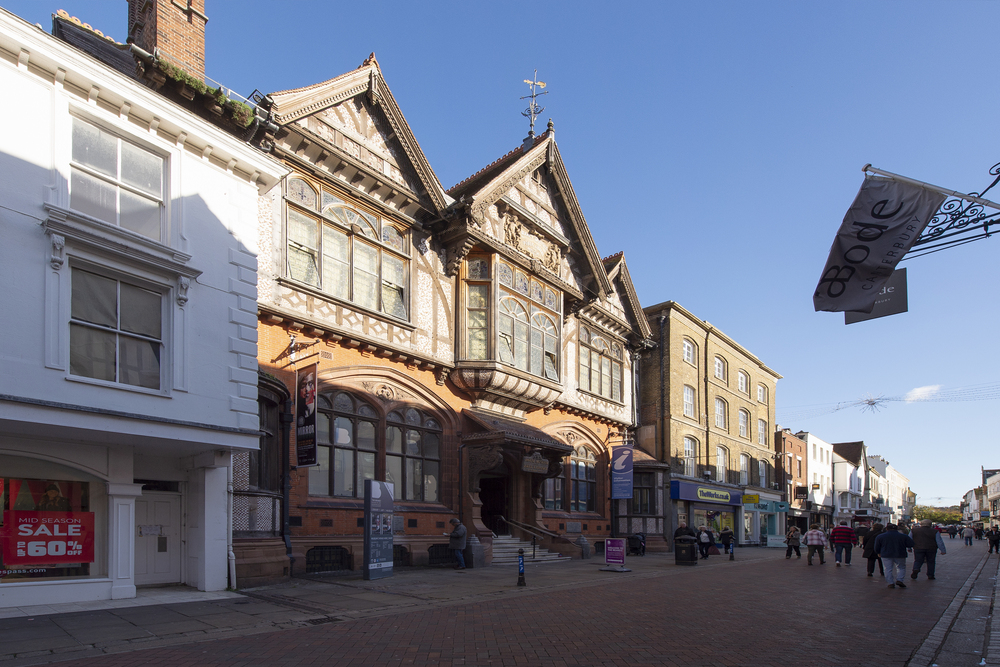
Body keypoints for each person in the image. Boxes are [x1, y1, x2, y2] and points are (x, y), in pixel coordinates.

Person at [874, 523, 914, 589]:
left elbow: (877, 546)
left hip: (886, 554)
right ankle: (900, 579)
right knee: (901, 567)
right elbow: (911, 544)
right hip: (900, 553)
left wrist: (878, 552)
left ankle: (890, 582)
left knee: (887, 568)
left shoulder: (880, 536)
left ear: (887, 529)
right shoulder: (903, 536)